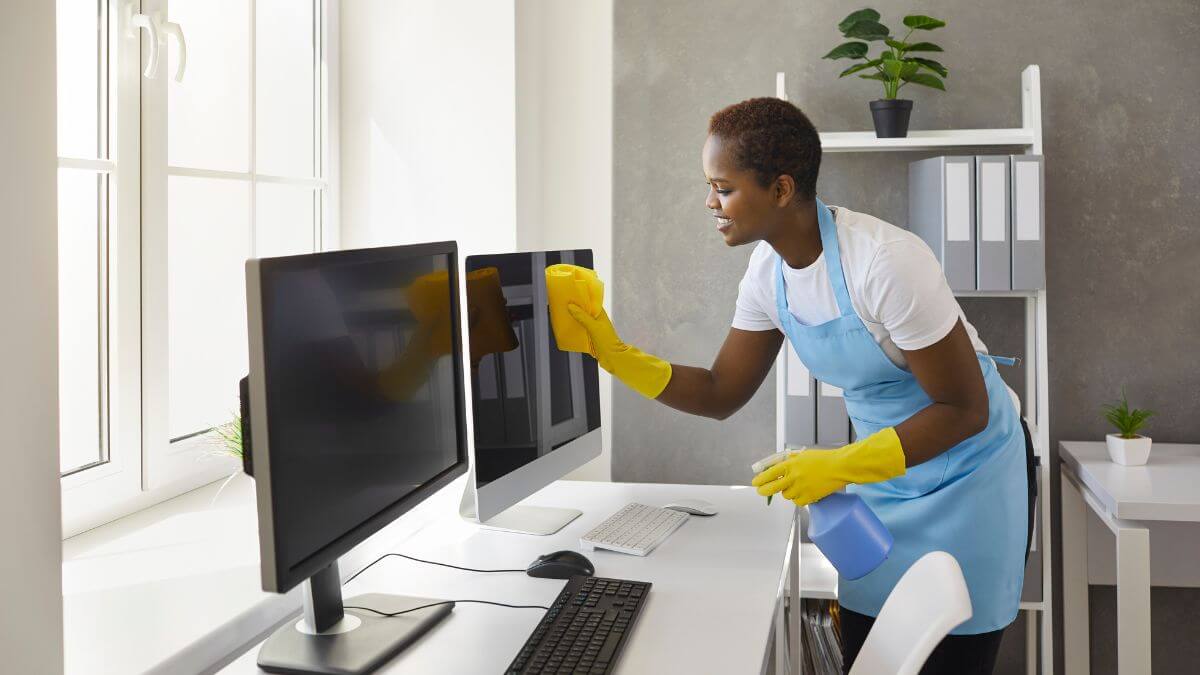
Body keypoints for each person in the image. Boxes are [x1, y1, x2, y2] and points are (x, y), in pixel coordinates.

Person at [563, 97, 1031, 674]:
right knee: (875, 651)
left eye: (723, 188)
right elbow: (719, 391)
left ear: (781, 189)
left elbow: (964, 409)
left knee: (947, 654)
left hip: (967, 477)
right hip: (882, 479)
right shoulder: (767, 273)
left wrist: (840, 465)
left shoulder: (886, 263)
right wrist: (614, 354)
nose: (710, 202)